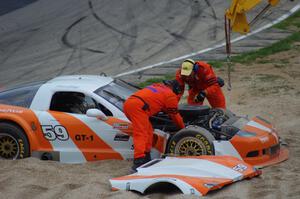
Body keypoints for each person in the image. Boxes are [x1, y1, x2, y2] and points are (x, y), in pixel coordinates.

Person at [123, 80, 185, 172]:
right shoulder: (170, 94)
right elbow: (175, 116)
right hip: (138, 108)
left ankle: (146, 157)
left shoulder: (158, 87)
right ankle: (138, 162)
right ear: (175, 89)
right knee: (141, 133)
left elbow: (157, 101)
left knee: (148, 131)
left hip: (129, 104)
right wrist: (183, 128)